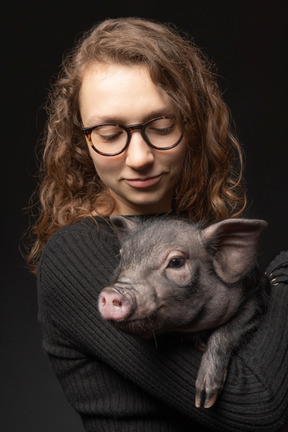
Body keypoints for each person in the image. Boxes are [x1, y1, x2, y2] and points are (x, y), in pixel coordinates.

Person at [26, 17, 288, 431]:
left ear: (193, 125)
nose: (140, 157)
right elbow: (260, 406)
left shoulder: (187, 238)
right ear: (82, 142)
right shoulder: (78, 251)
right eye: (110, 133)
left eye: (161, 126)